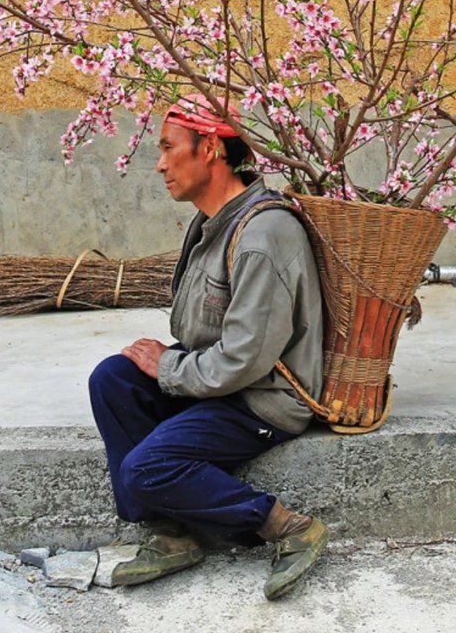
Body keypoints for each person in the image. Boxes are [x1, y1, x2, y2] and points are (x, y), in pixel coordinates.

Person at [88, 94, 328, 600]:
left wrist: (171, 367)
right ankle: (173, 535)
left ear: (211, 149)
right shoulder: (212, 221)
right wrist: (168, 365)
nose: (158, 164)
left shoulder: (264, 233)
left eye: (169, 147)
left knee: (146, 469)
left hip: (260, 396)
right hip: (218, 377)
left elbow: (244, 358)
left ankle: (285, 526)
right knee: (113, 378)